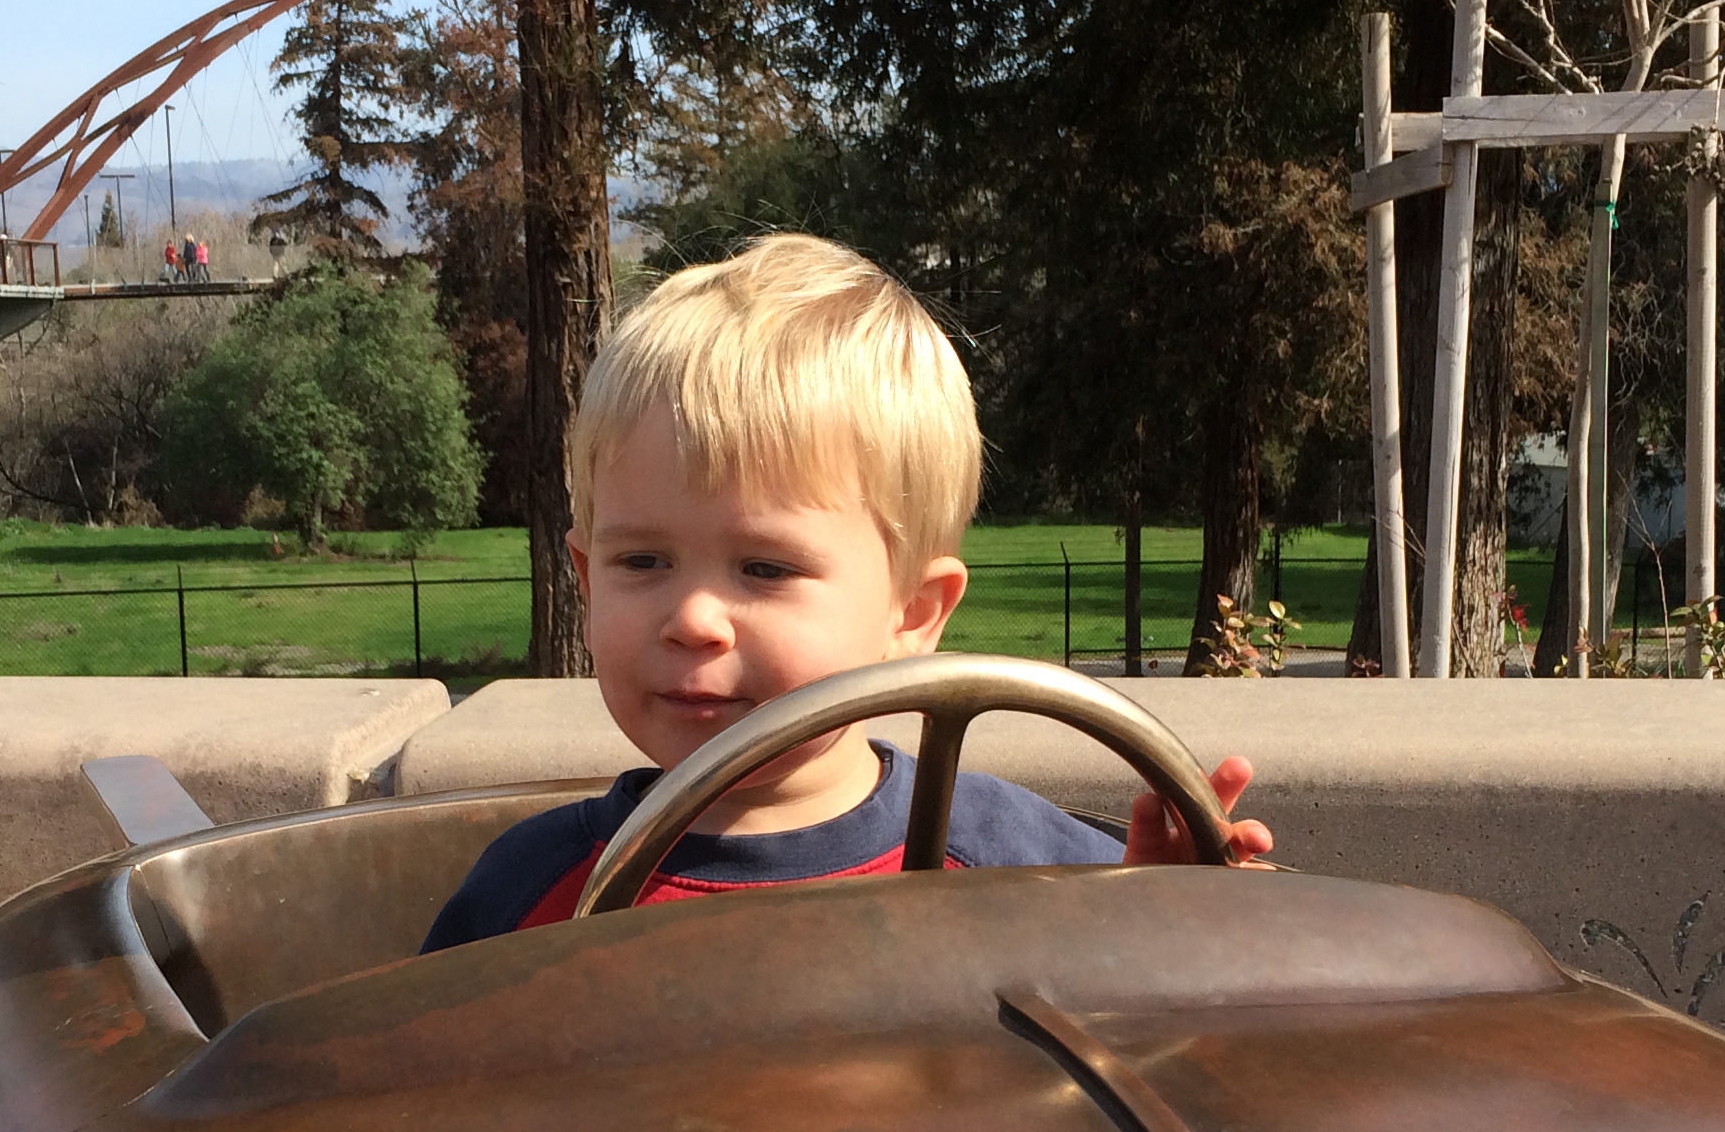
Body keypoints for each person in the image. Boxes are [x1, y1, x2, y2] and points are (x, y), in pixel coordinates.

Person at [420, 232, 1270, 950]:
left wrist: (1157, 921)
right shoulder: (528, 896)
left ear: (914, 612)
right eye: (642, 562)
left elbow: (1149, 1050)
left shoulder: (1021, 868)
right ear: (583, 579)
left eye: (764, 569)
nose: (692, 619)